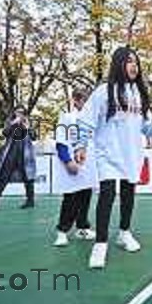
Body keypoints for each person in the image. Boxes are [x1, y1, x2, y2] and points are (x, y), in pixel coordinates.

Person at [73, 46, 152, 269]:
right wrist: (81, 145)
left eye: (136, 62)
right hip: (108, 153)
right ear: (118, 64)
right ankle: (100, 244)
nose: (134, 66)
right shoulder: (104, 91)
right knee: (106, 194)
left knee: (128, 193)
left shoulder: (139, 94)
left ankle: (124, 232)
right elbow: (86, 120)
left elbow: (145, 125)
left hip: (131, 153)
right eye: (129, 61)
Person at [52, 89, 96, 246]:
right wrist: (68, 161)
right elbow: (61, 142)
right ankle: (62, 231)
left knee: (85, 197)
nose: (87, 104)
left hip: (89, 168)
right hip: (73, 166)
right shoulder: (67, 119)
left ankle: (82, 227)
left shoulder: (93, 121)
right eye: (84, 100)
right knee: (71, 199)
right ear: (76, 101)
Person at [0, 105, 36, 212]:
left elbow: (34, 137)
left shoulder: (28, 123)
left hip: (25, 155)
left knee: (28, 178)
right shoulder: (10, 122)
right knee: (2, 178)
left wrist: (27, 127)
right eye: (18, 112)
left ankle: (30, 201)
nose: (20, 114)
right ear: (14, 112)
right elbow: (4, 133)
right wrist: (13, 123)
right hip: (10, 154)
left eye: (22, 112)